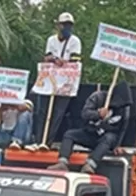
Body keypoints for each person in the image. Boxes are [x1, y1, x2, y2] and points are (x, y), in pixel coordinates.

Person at [48, 81, 132, 174]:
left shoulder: (124, 108)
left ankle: (90, 165)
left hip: (106, 139)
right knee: (69, 134)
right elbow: (84, 114)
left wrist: (118, 145)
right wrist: (97, 114)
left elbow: (123, 127)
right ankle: (62, 163)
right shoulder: (98, 97)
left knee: (110, 137)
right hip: (90, 133)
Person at [41, 12, 83, 145]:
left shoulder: (75, 41)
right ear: (58, 25)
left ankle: (48, 142)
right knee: (43, 110)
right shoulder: (51, 40)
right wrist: (54, 59)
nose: (67, 28)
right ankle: (39, 139)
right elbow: (47, 56)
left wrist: (64, 62)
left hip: (65, 82)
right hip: (51, 81)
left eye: (69, 25)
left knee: (58, 113)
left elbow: (76, 59)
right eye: (64, 25)